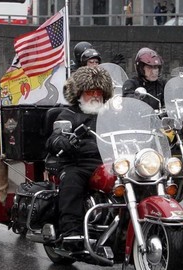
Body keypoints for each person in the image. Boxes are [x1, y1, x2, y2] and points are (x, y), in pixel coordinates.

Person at [46, 66, 113, 251]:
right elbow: (54, 138)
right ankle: (70, 233)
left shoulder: (110, 115)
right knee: (73, 183)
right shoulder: (70, 114)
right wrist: (61, 140)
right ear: (79, 94)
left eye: (99, 92)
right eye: (90, 92)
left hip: (108, 162)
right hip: (77, 162)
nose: (95, 96)